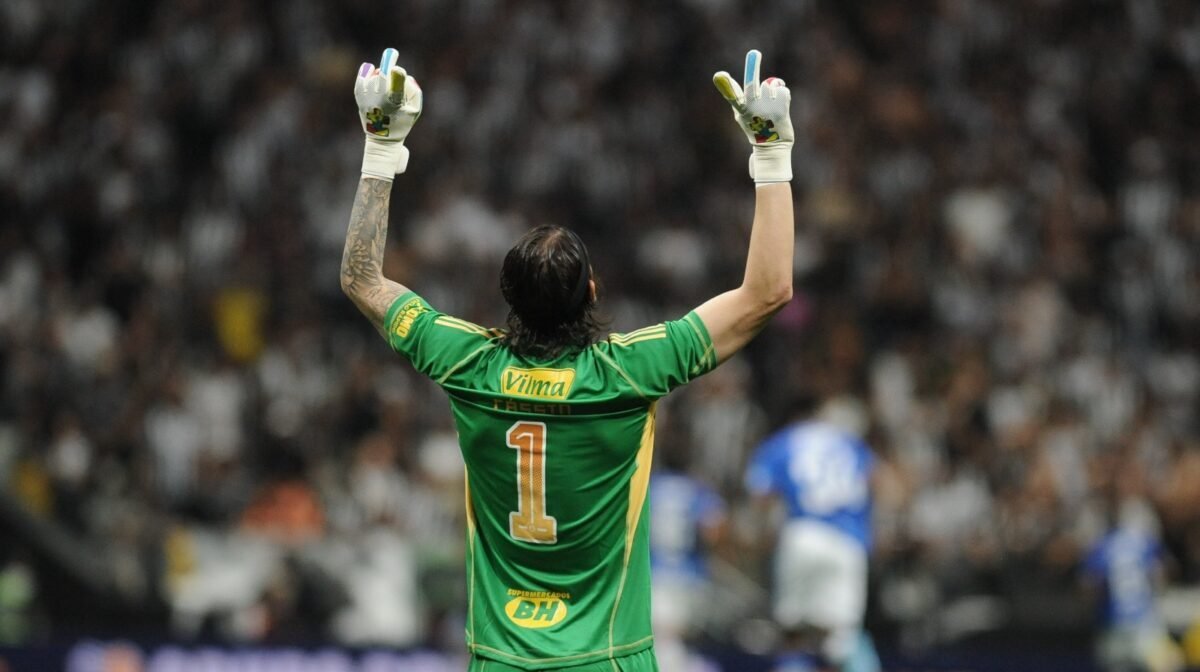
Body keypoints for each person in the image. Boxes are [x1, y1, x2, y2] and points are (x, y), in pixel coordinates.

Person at [340, 47, 795, 671]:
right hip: (607, 658)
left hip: (500, 658)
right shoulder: (631, 372)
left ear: (505, 298)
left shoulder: (465, 363)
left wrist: (381, 149)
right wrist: (769, 151)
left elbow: (363, 279)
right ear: (592, 290)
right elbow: (767, 292)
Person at [744, 395, 880, 672]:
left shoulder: (783, 440)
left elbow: (760, 496)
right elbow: (880, 481)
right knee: (841, 638)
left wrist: (761, 537)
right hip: (848, 542)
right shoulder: (848, 442)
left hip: (802, 535)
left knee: (792, 632)